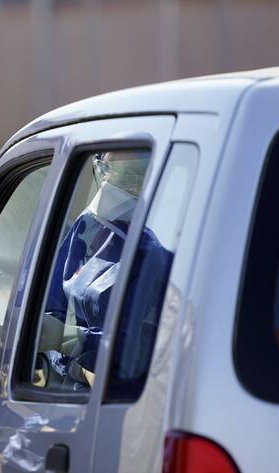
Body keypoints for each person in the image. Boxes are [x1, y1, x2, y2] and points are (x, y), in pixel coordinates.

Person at [39, 150, 169, 389]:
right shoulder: (87, 227)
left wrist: (75, 341)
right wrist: (72, 362)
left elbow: (140, 350)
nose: (110, 184)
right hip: (69, 388)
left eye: (132, 176)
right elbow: (50, 308)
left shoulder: (156, 254)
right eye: (105, 170)